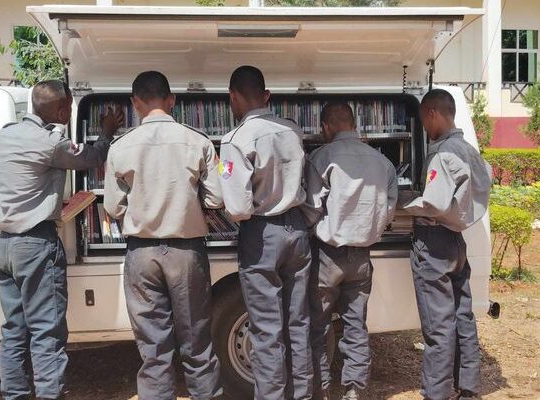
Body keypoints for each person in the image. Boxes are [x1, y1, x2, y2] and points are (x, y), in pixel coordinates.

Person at [0, 79, 123, 400]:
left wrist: (29, 200)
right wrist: (106, 132)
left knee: (14, 330)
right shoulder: (50, 143)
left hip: (5, 247)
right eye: (69, 108)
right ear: (61, 110)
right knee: (47, 331)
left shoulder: (1, 138)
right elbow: (91, 157)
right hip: (36, 245)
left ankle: (14, 395)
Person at [104, 71, 223, 400]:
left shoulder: (120, 147)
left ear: (135, 103)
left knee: (154, 348)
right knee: (197, 342)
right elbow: (216, 198)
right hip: (187, 253)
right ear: (172, 100)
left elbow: (113, 207)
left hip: (141, 254)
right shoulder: (199, 142)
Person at [219, 65, 313, 400]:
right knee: (299, 322)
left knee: (267, 328)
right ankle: (302, 394)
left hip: (261, 236)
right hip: (297, 231)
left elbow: (237, 207)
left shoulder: (235, 141)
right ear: (267, 95)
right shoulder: (292, 131)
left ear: (232, 97)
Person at [303, 103, 398, 400]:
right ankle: (354, 390)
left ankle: (320, 390)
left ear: (326, 126)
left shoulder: (322, 158)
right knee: (355, 325)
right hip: (361, 258)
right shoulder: (383, 163)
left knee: (318, 327)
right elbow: (389, 210)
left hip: (327, 256)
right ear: (354, 125)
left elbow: (311, 208)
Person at [403, 89, 491, 400]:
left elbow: (434, 203)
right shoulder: (469, 150)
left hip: (433, 242)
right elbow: (484, 183)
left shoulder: (442, 154)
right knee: (462, 314)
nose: (425, 129)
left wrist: (406, 204)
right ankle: (468, 386)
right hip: (456, 240)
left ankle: (436, 392)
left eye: (424, 121)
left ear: (432, 114)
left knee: (438, 323)